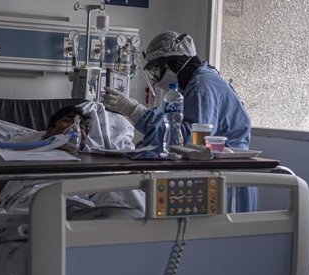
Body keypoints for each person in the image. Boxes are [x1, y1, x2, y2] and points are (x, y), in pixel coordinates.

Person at [102, 31, 256, 211]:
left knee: (228, 236)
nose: (157, 80)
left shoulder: (202, 87)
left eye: (157, 71)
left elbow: (186, 138)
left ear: (172, 64)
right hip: (220, 172)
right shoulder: (198, 83)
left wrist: (135, 111)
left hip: (227, 178)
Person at [0, 105, 90, 207]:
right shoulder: (23, 153)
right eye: (67, 121)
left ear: (83, 141)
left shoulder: (90, 161)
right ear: (50, 130)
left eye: (81, 127)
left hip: (76, 199)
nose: (75, 128)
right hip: (30, 198)